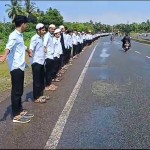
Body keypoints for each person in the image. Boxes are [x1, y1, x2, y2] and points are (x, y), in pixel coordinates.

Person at [0, 15, 34, 123]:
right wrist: (5, 55)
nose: (27, 26)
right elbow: (9, 46)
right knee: (16, 91)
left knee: (20, 90)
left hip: (20, 65)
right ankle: (15, 115)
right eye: (26, 24)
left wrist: (28, 50)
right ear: (22, 24)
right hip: (15, 67)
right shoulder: (13, 35)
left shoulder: (20, 35)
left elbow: (21, 46)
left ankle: (19, 110)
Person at [28, 23, 49, 104]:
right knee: (36, 80)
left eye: (44, 30)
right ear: (38, 30)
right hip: (36, 62)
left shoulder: (41, 37)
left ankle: (40, 94)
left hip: (41, 61)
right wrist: (30, 53)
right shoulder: (34, 38)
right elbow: (31, 48)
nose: (44, 31)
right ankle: (36, 97)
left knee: (41, 79)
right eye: (43, 30)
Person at [43, 24, 58, 91]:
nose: (53, 30)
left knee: (50, 71)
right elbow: (44, 44)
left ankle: (49, 83)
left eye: (54, 29)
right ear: (49, 29)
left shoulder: (51, 36)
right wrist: (45, 50)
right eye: (52, 29)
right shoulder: (47, 36)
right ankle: (47, 85)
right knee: (48, 71)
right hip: (48, 56)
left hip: (51, 55)